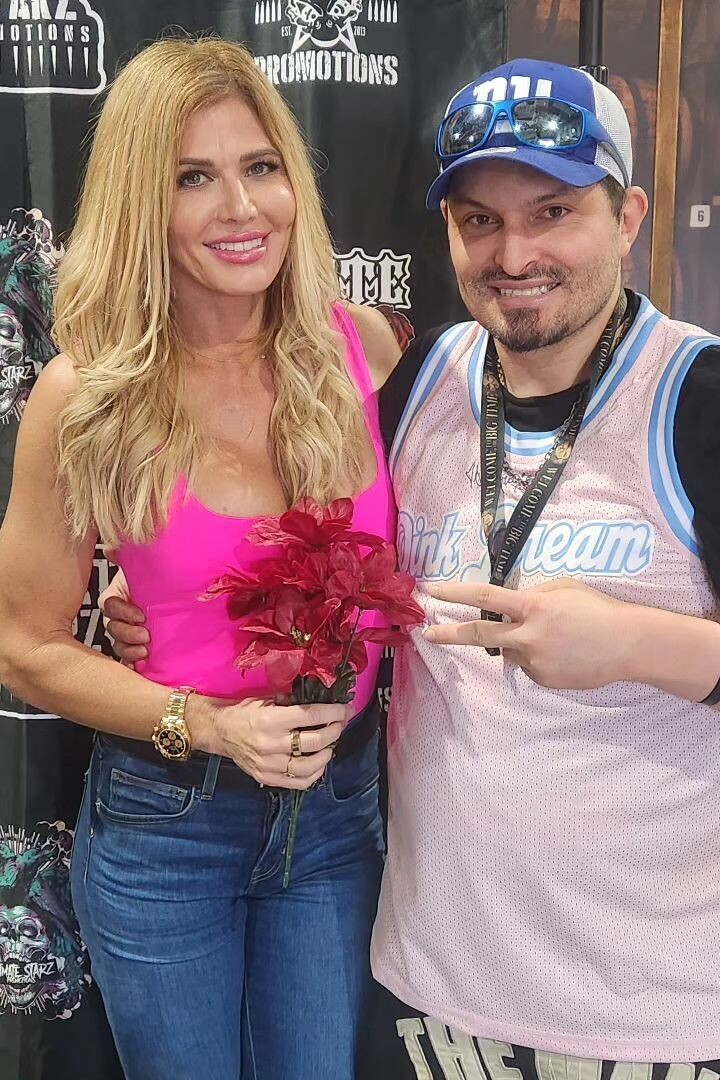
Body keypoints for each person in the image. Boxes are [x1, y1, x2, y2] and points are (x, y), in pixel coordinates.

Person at [105, 60, 720, 1080]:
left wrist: (642, 645)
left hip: (661, 1012)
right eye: (480, 222)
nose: (515, 255)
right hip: (433, 991)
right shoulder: (424, 378)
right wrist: (157, 595)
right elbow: (314, 535)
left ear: (627, 217)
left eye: (554, 212)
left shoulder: (712, 400)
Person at [0, 36, 401, 1080]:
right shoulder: (86, 397)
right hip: (166, 825)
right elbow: (23, 648)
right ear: (143, 203)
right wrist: (207, 720)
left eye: (260, 166)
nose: (240, 206)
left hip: (339, 818)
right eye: (193, 177)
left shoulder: (361, 347)